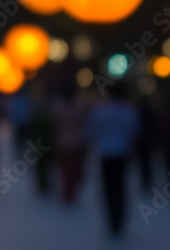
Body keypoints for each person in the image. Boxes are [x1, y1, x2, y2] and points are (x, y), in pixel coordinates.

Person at [86, 84, 141, 236]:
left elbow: (92, 131)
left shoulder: (102, 111)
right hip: (122, 153)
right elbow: (135, 131)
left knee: (108, 188)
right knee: (121, 187)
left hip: (106, 153)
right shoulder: (129, 110)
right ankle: (120, 220)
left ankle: (112, 221)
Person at [53, 90, 89, 204]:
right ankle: (71, 191)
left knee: (65, 170)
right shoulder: (78, 111)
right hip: (75, 143)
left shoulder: (60, 111)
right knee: (73, 170)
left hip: (63, 144)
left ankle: (66, 191)